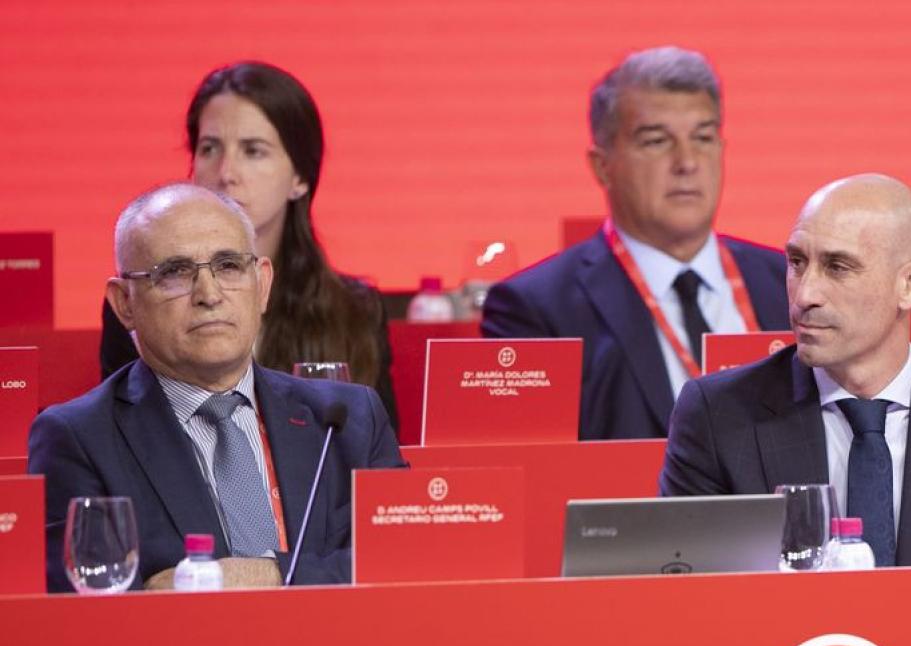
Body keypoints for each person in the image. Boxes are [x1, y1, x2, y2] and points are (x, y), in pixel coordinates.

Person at [30, 184, 405, 592]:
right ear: (125, 303)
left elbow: (405, 558)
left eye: (228, 266)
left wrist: (268, 575)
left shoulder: (350, 419)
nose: (209, 295)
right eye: (173, 272)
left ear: (262, 285)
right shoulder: (79, 438)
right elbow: (83, 603)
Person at [659, 175, 911, 566]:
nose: (805, 295)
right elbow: (693, 598)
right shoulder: (718, 417)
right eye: (796, 262)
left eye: (838, 267)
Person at [482, 46, 788, 440]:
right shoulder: (537, 309)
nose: (687, 162)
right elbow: (535, 471)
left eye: (703, 138)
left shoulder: (788, 281)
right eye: (656, 141)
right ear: (602, 165)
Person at [98, 61, 399, 428]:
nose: (226, 173)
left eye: (253, 151)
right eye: (210, 149)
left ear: (300, 177)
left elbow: (376, 461)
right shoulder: (148, 294)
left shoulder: (355, 310)